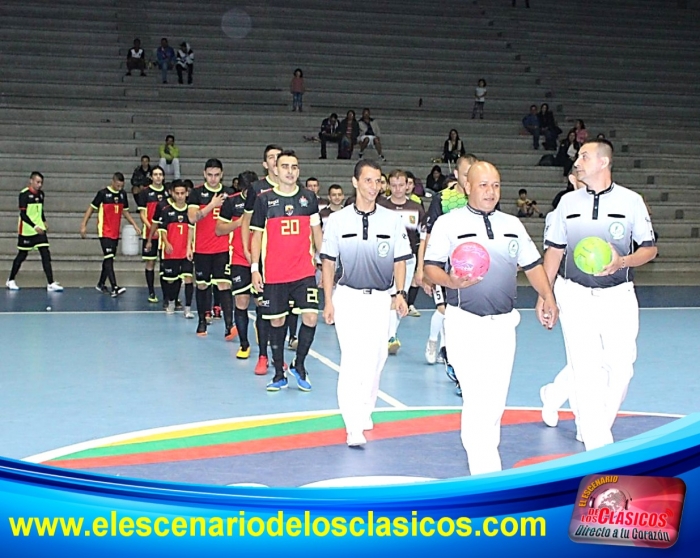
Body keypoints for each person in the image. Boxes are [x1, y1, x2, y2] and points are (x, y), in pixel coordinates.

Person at [424, 161, 558, 476]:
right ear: (467, 186)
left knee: (495, 401)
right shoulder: (448, 223)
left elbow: (533, 265)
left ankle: (486, 462)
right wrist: (451, 281)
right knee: (477, 396)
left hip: (504, 325)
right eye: (483, 185)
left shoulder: (512, 224)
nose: (490, 191)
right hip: (464, 323)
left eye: (496, 185)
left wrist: (548, 295)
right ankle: (484, 471)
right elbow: (430, 268)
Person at [539, 139, 657, 452]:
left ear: (603, 162)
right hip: (574, 293)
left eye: (584, 156)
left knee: (621, 366)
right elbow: (554, 250)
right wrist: (545, 293)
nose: (578, 160)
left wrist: (623, 261)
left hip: (618, 295)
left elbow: (649, 249)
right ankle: (598, 443)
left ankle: (594, 424)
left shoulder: (631, 201)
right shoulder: (567, 204)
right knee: (585, 366)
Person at [320, 159, 412, 447]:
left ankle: (366, 409)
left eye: (378, 181)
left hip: (380, 299)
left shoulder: (392, 220)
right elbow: (328, 263)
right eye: (369, 180)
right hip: (347, 297)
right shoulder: (337, 221)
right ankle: (352, 424)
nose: (374, 186)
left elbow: (400, 259)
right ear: (355, 182)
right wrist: (328, 301)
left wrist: (399, 293)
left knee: (376, 359)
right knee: (352, 360)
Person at [250, 150, 324, 392]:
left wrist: (322, 263)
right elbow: (257, 236)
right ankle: (279, 374)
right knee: (277, 321)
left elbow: (316, 232)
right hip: (275, 273)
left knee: (311, 316)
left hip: (304, 271)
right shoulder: (263, 200)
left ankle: (299, 365)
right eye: (285, 166)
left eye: (294, 166)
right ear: (275, 170)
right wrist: (254, 269)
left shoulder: (309, 198)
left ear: (298, 171)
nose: (290, 171)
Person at [417, 155, 478, 396]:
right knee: (447, 313)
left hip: (474, 274)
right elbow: (428, 235)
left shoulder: (486, 199)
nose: (470, 179)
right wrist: (424, 269)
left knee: (470, 320)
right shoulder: (443, 199)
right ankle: (451, 358)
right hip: (445, 270)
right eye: (466, 174)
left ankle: (460, 363)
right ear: (457, 176)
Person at [539, 173, 584, 442]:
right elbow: (552, 254)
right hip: (570, 289)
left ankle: (553, 394)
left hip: (605, 292)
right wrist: (547, 294)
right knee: (582, 357)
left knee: (600, 359)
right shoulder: (561, 211)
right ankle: (584, 419)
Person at [240, 144, 283, 375]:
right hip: (265, 258)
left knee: (285, 312)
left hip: (287, 260)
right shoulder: (257, 189)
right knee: (263, 307)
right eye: (271, 158)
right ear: (265, 163)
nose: (276, 161)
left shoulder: (293, 188)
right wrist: (249, 251)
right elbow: (247, 221)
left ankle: (280, 357)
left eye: (279, 157)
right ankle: (263, 355)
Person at [377, 170, 426, 354]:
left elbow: (423, 239)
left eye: (401, 185)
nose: (398, 189)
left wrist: (421, 267)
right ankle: (384, 334)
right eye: (394, 185)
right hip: (384, 259)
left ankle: (391, 335)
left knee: (399, 296)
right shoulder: (381, 206)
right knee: (384, 297)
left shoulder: (417, 208)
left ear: (408, 185)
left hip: (407, 260)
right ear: (388, 186)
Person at [187, 159, 236, 338]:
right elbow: (192, 219)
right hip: (202, 249)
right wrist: (211, 205)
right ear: (204, 174)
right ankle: (202, 321)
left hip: (223, 248)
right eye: (210, 175)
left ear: (222, 174)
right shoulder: (197, 193)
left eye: (216, 175)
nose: (213, 179)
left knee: (224, 284)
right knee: (202, 285)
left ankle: (229, 325)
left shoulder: (229, 194)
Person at [216, 171, 259, 360]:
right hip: (239, 258)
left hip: (260, 258)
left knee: (262, 302)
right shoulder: (231, 203)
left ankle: (264, 341)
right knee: (241, 301)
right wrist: (240, 223)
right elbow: (219, 230)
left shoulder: (263, 200)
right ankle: (244, 344)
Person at [80, 173, 141, 297]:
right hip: (104, 231)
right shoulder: (103, 194)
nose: (119, 188)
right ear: (113, 182)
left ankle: (101, 283)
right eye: (117, 185)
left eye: (121, 186)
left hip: (115, 231)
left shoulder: (123, 194)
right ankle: (114, 287)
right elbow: (91, 208)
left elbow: (125, 211)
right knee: (109, 257)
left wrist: (134, 224)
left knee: (109, 258)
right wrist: (83, 224)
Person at [6, 172, 63, 292]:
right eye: (37, 182)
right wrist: (34, 226)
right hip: (27, 230)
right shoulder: (24, 194)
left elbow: (40, 211)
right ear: (31, 181)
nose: (39, 185)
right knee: (22, 255)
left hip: (39, 230)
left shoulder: (41, 195)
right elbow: (23, 214)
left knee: (45, 254)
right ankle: (11, 279)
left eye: (41, 182)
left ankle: (50, 283)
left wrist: (44, 221)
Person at [151, 181, 194, 314]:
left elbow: (192, 230)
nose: (180, 196)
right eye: (177, 193)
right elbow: (162, 229)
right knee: (171, 280)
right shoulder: (166, 210)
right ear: (172, 194)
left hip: (186, 251)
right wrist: (167, 242)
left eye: (183, 193)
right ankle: (171, 302)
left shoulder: (191, 211)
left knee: (188, 278)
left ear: (187, 193)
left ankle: (187, 309)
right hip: (171, 251)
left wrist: (189, 247)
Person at [137, 166, 167, 303]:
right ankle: (151, 292)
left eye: (160, 174)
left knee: (165, 264)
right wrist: (151, 228)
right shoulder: (145, 193)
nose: (158, 177)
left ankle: (168, 295)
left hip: (165, 234)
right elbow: (142, 214)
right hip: (150, 234)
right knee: (150, 262)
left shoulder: (168, 192)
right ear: (151, 177)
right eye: (155, 174)